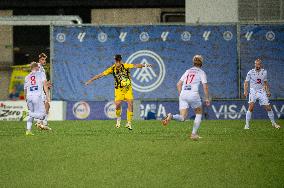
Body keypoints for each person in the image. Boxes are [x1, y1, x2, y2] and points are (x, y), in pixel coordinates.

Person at [85, 54, 151, 130]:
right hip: (119, 90)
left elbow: (136, 65)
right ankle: (118, 119)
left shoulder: (125, 66)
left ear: (120, 60)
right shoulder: (112, 69)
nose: (117, 62)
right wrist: (90, 80)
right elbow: (101, 75)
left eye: (118, 60)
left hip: (127, 89)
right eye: (116, 60)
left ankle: (129, 123)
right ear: (115, 61)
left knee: (130, 103)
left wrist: (145, 65)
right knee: (118, 104)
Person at [162, 55, 210, 140]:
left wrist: (182, 95)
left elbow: (178, 84)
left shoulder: (188, 71)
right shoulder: (201, 72)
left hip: (183, 94)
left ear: (193, 62)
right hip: (193, 94)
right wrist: (207, 98)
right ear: (201, 63)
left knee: (183, 117)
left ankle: (171, 116)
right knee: (198, 113)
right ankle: (193, 134)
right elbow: (205, 86)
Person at [244, 58, 280, 129]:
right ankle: (247, 125)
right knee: (251, 107)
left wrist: (268, 91)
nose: (257, 65)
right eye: (256, 64)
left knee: (268, 108)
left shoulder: (264, 72)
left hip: (261, 91)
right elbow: (246, 82)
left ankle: (273, 123)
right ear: (254, 64)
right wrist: (245, 91)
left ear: (261, 65)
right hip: (253, 91)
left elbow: (265, 83)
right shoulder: (250, 72)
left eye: (258, 64)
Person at [24, 62, 50, 135]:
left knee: (32, 113)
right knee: (41, 116)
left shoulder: (27, 76)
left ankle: (28, 130)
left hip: (29, 97)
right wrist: (47, 96)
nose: (39, 68)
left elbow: (25, 89)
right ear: (35, 67)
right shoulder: (41, 74)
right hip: (37, 96)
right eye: (38, 67)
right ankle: (27, 113)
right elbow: (45, 85)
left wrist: (26, 100)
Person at [35, 53, 52, 130]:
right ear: (39, 60)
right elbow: (43, 82)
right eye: (42, 59)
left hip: (38, 89)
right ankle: (39, 122)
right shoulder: (39, 68)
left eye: (45, 59)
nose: (44, 61)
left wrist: (46, 84)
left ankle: (43, 123)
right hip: (38, 91)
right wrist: (48, 95)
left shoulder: (41, 68)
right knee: (45, 105)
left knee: (47, 106)